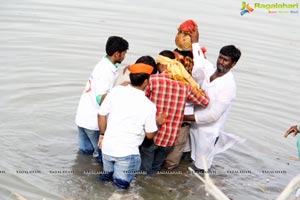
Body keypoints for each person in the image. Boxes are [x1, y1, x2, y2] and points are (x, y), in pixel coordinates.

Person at [140, 50, 210, 175]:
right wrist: (193, 84)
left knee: (144, 169)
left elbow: (141, 101)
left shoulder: (153, 80)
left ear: (162, 65)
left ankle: (143, 186)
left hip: (152, 134)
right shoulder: (184, 86)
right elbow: (204, 101)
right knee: (156, 168)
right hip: (170, 138)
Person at [184, 28, 244, 171]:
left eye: (226, 60)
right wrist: (195, 42)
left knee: (201, 167)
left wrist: (184, 117)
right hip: (192, 125)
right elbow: (200, 62)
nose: (221, 62)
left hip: (208, 131)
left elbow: (213, 115)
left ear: (233, 64)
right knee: (185, 159)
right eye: (220, 57)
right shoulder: (210, 69)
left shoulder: (228, 85)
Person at [97, 63, 158, 189]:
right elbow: (150, 134)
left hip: (107, 148)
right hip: (127, 153)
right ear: (146, 82)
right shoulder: (149, 105)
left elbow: (101, 115)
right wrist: (157, 122)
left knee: (105, 181)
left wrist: (102, 135)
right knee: (120, 189)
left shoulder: (116, 91)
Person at [75, 36, 129, 163]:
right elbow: (101, 99)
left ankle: (82, 178)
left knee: (84, 156)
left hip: (83, 118)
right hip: (93, 122)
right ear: (117, 54)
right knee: (101, 158)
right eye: (124, 53)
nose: (124, 56)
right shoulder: (106, 72)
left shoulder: (103, 64)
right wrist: (120, 88)